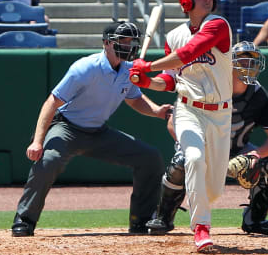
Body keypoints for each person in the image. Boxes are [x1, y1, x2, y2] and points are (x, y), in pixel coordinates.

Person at [11, 21, 172, 237]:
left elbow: (135, 100)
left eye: (131, 41)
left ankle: (141, 221)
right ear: (106, 43)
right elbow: (51, 102)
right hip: (66, 128)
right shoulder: (85, 68)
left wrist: (157, 111)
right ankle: (24, 219)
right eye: (121, 41)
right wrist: (38, 141)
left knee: (150, 158)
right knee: (48, 161)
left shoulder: (128, 70)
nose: (128, 45)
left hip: (98, 132)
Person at [129, 0, 233, 252]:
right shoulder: (174, 36)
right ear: (187, 2)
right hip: (187, 109)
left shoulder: (218, 25)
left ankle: (201, 208)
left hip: (220, 114)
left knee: (214, 190)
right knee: (194, 159)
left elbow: (189, 52)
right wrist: (146, 82)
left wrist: (147, 66)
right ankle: (201, 228)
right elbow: (172, 80)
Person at [146, 41, 268, 237]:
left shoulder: (260, 95)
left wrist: (255, 155)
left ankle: (255, 220)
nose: (249, 67)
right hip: (202, 147)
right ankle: (163, 217)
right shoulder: (207, 85)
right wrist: (194, 147)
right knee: (181, 162)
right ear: (227, 63)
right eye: (243, 62)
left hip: (237, 152)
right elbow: (172, 122)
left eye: (253, 62)